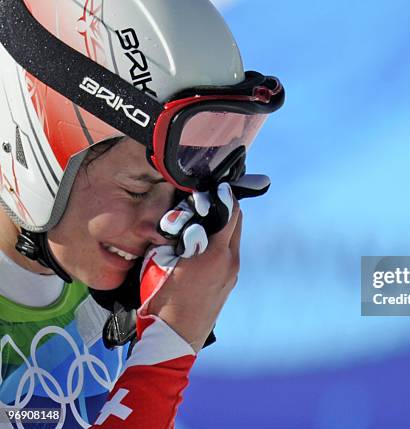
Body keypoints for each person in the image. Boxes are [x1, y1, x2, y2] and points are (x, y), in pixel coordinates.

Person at [0, 0, 284, 427]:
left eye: (182, 192)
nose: (161, 225)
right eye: (136, 188)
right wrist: (169, 347)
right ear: (40, 140)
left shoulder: (105, 292)